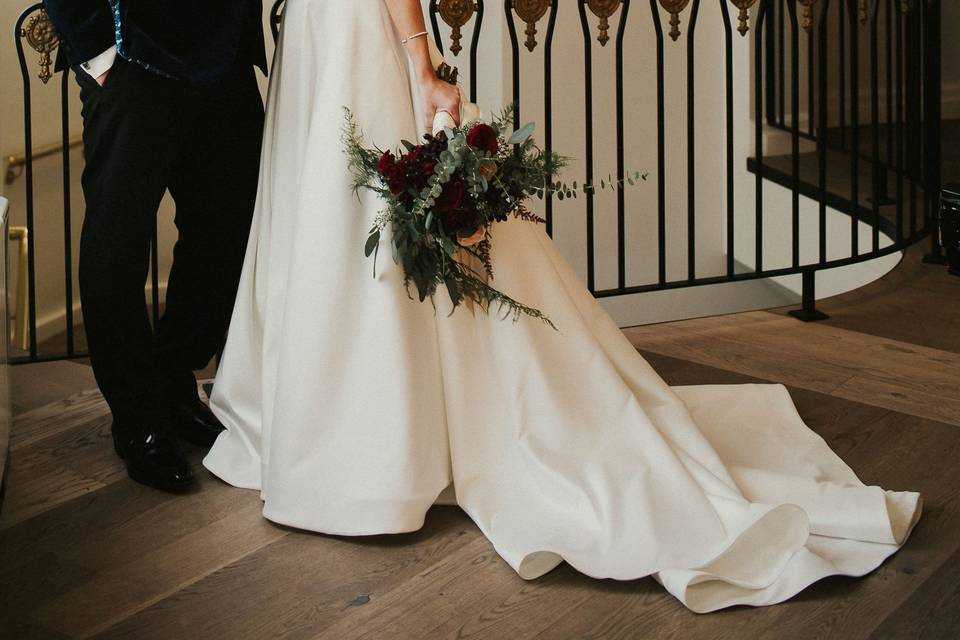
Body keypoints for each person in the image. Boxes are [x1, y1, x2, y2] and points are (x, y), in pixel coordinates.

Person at [203, 0, 921, 612]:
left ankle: (334, 431)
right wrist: (421, 61)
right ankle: (380, 437)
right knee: (358, 212)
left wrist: (415, 57)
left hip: (316, 29)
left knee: (336, 212)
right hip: (349, 30)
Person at [43, 1, 267, 492]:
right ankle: (136, 416)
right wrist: (98, 51)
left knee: (227, 228)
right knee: (117, 243)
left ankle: (173, 380)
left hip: (224, 59)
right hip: (129, 56)